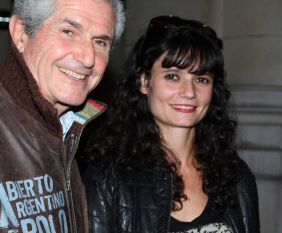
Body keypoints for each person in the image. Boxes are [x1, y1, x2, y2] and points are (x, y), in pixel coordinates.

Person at [83, 15, 260, 233]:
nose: (189, 92)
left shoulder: (235, 177)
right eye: (173, 77)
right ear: (145, 82)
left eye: (202, 79)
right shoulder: (106, 179)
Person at [0, 0, 125, 232]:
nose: (88, 58)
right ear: (20, 33)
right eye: (68, 32)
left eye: (100, 42)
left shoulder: (71, 130)